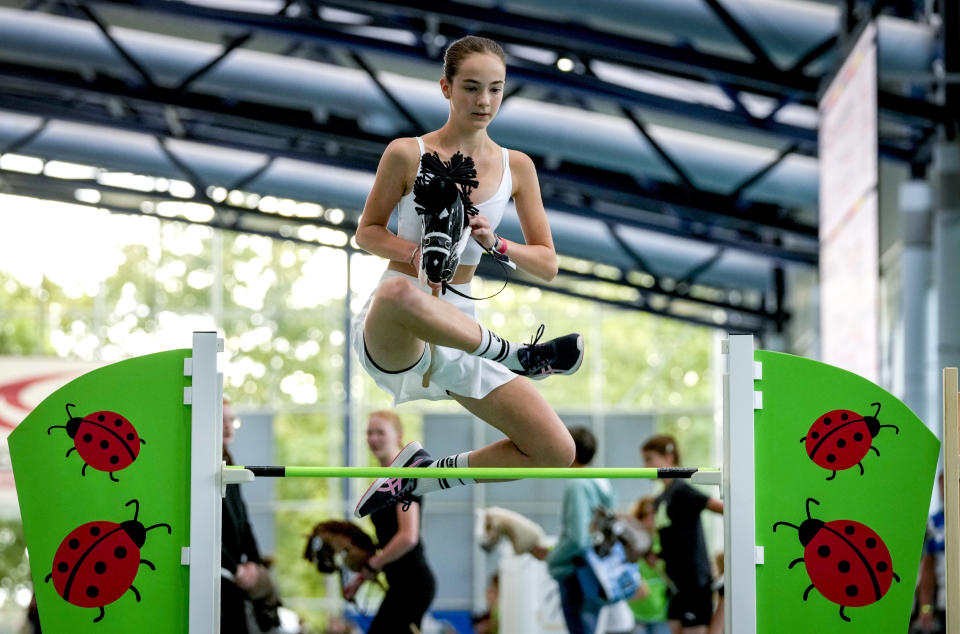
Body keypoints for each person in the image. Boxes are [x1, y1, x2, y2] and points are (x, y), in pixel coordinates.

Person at [350, 35, 583, 518]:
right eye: (472, 88)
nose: (483, 101)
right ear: (446, 88)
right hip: (399, 320)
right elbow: (367, 234)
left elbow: (548, 264)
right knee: (396, 291)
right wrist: (416, 254)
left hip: (462, 326)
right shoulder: (405, 152)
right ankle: (516, 355)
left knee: (556, 451)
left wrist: (496, 243)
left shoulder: (518, 166)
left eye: (495, 90)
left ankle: (418, 478)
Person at [342, 411, 436, 633]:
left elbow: (408, 536)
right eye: (369, 433)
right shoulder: (385, 480)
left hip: (413, 583)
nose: (373, 439)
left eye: (380, 433)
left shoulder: (403, 477)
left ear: (398, 436)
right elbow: (388, 541)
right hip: (400, 582)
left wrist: (374, 564)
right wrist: (360, 578)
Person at [533, 426, 615, 634]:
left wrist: (552, 557)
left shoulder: (578, 484)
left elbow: (578, 538)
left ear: (572, 450)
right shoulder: (601, 481)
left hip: (577, 574)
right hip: (597, 570)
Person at [641, 435, 722, 634]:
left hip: (694, 583)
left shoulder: (682, 490)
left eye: (649, 459)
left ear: (669, 457)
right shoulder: (660, 499)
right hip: (675, 585)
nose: (645, 466)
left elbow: (722, 508)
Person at [222, 400, 282, 634]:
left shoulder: (229, 460)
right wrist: (235, 568)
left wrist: (254, 565)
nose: (229, 426)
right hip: (221, 572)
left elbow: (243, 521)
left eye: (232, 420)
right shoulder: (203, 464)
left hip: (236, 569)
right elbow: (207, 528)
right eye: (223, 419)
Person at [628, 497, 671, 634]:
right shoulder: (630, 542)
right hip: (635, 609)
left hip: (660, 609)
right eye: (644, 515)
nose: (650, 519)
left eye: (653, 514)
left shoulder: (661, 539)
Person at [912, 471, 945, 633]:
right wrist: (925, 608)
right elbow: (927, 567)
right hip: (945, 605)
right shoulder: (934, 523)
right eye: (942, 484)